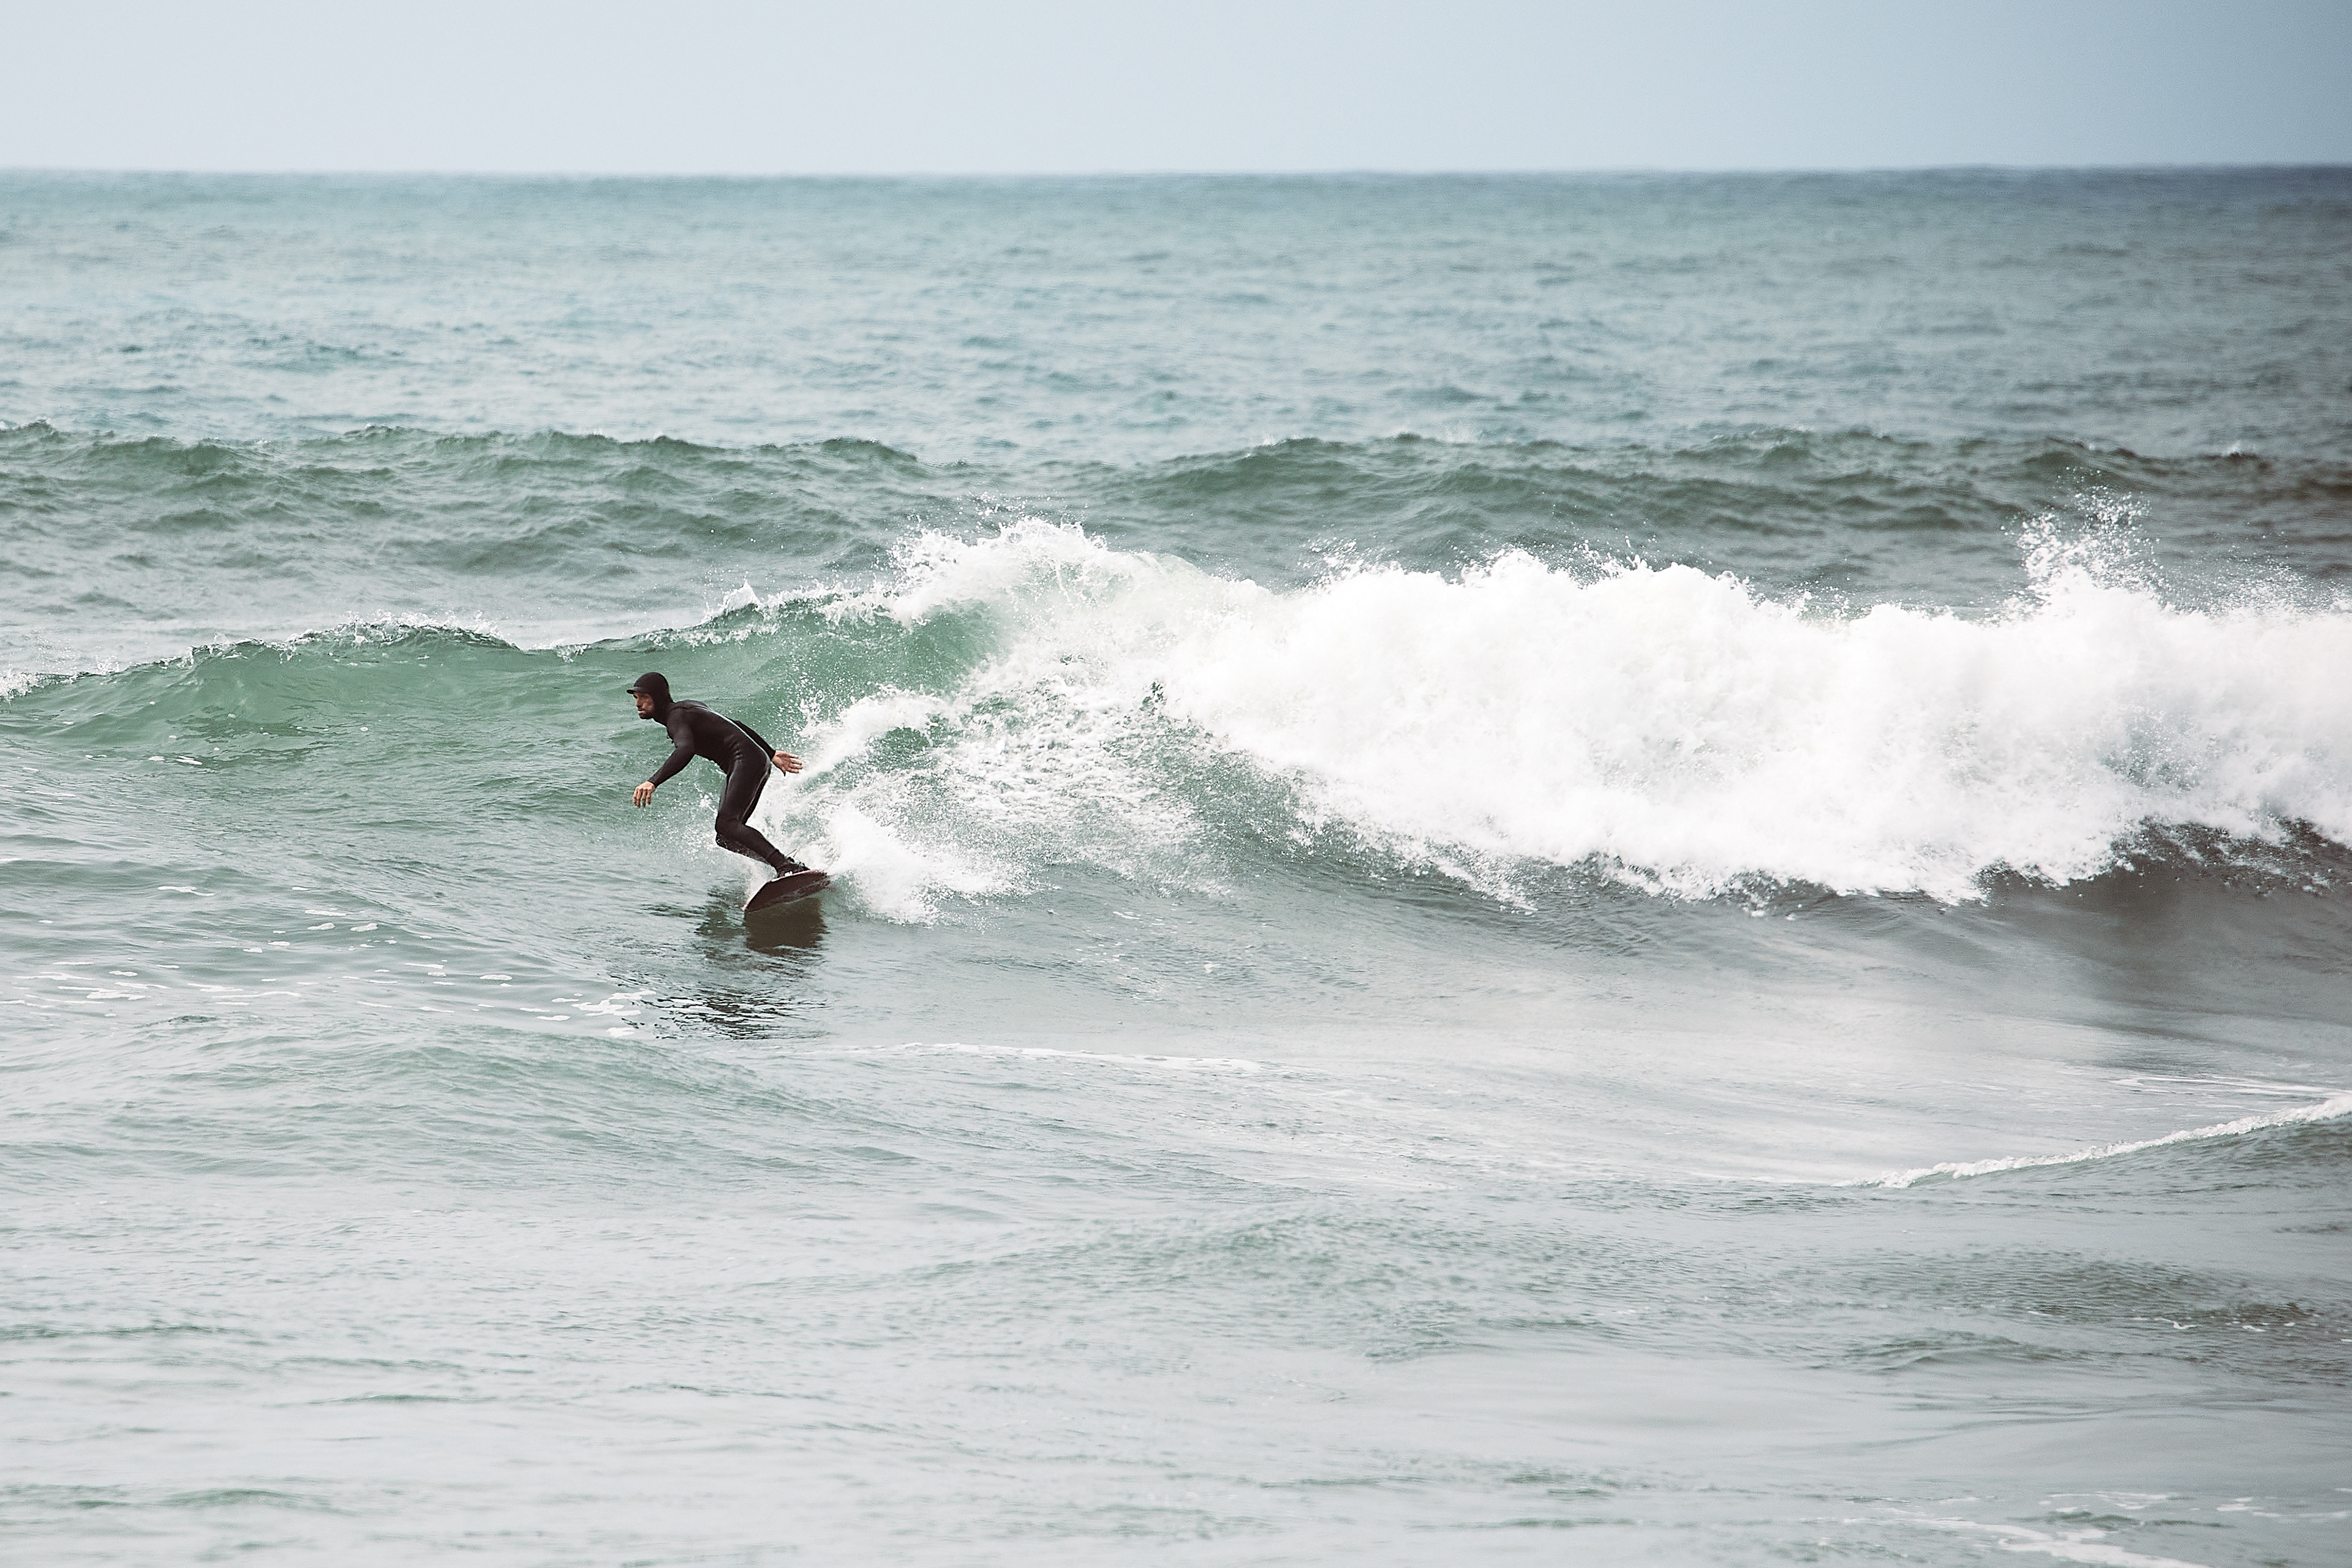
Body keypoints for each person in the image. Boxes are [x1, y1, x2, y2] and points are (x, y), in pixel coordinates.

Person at [627, 672, 812, 881]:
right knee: (726, 838)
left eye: (644, 697)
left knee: (727, 824)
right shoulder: (687, 709)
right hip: (751, 760)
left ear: (658, 697)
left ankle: (784, 866)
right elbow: (736, 724)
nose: (638, 703)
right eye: (635, 698)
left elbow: (685, 750)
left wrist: (653, 782)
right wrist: (771, 754)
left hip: (746, 759)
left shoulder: (676, 716)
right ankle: (788, 865)